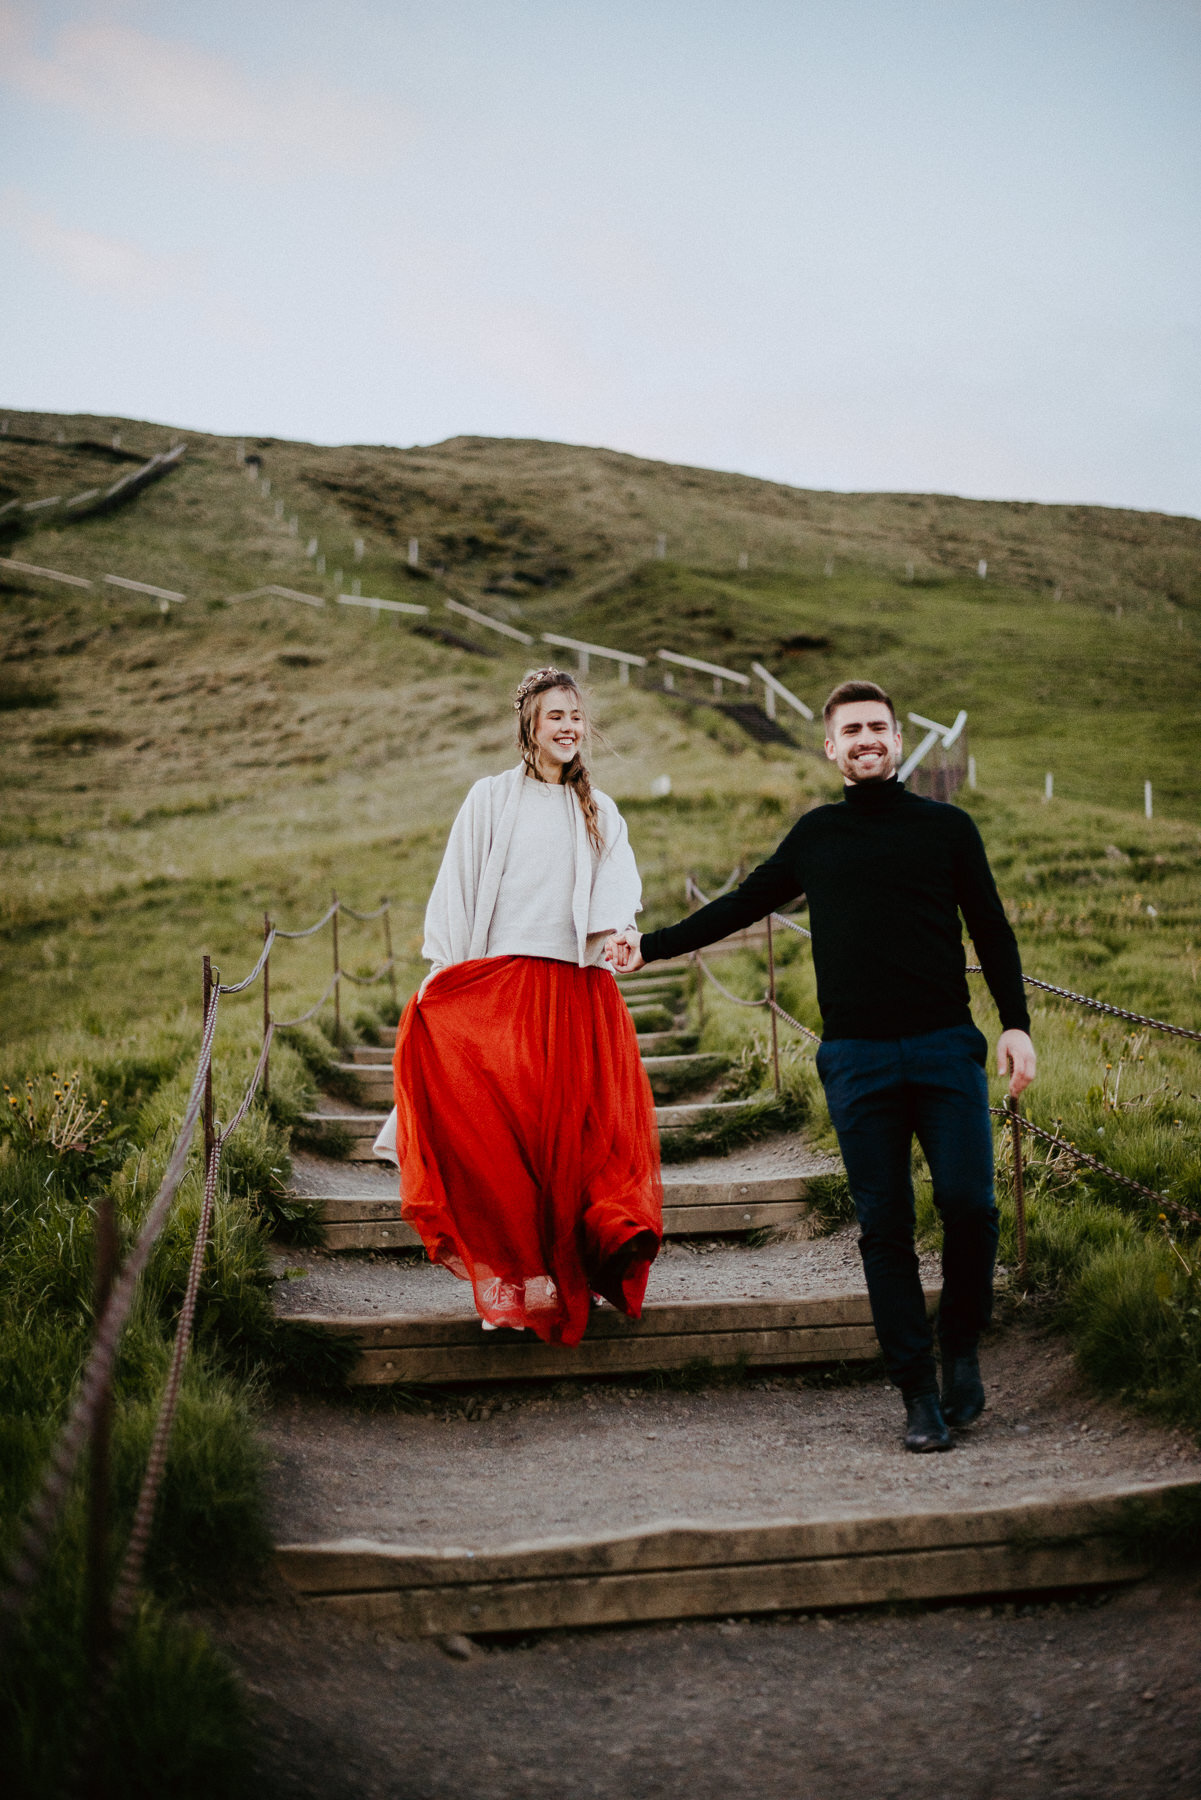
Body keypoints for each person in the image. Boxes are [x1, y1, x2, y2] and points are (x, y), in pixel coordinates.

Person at [607, 679, 1035, 1451]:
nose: (866, 739)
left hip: (944, 1046)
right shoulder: (815, 836)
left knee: (970, 1206)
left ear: (897, 742)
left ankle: (960, 1346)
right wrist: (652, 945)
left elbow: (992, 930)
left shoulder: (947, 828)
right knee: (885, 1226)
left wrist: (1014, 1024)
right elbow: (741, 904)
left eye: (878, 727)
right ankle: (915, 1394)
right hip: (856, 1061)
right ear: (830, 748)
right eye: (851, 730)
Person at [374, 667, 662, 1346]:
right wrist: (446, 974)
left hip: (575, 993)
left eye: (574, 715)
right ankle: (509, 1285)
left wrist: (619, 933)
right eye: (553, 716)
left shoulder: (602, 810)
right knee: (506, 1147)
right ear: (528, 725)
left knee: (570, 1144)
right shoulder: (490, 799)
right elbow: (457, 885)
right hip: (501, 989)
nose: (566, 726)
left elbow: (618, 891)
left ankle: (572, 1269)